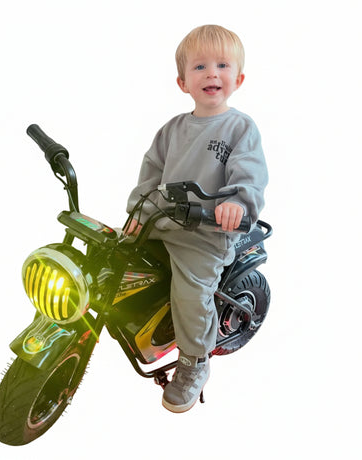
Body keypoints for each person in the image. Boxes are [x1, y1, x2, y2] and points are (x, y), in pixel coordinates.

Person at [124, 24, 268, 413]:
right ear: (182, 82)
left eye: (222, 65)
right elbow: (150, 175)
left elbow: (249, 176)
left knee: (190, 289)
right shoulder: (171, 130)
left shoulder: (240, 128)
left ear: (238, 79)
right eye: (200, 66)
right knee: (113, 255)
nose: (211, 74)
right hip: (162, 222)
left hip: (205, 232)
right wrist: (139, 210)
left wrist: (237, 203)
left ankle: (194, 361)